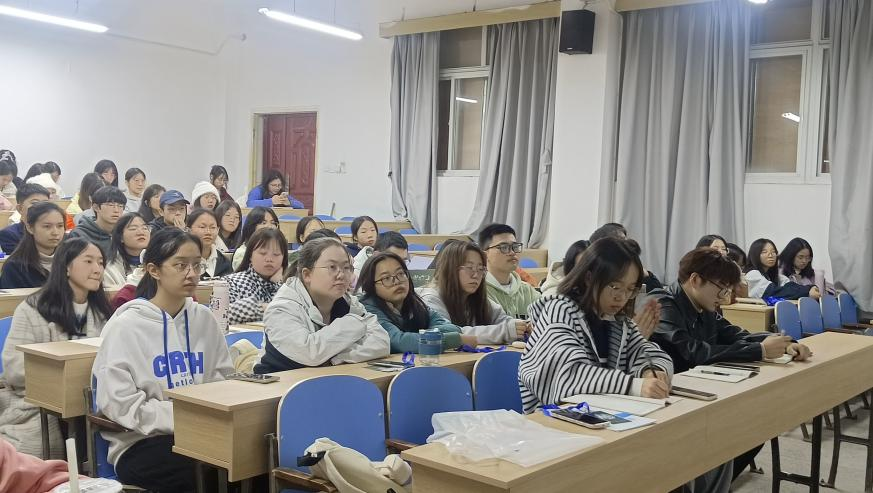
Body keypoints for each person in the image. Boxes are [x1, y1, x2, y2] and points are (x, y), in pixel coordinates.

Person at [650, 247, 812, 482]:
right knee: (740, 431)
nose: (724, 296)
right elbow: (694, 353)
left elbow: (734, 333)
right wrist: (760, 350)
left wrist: (783, 343)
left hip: (705, 390)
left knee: (756, 429)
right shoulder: (663, 304)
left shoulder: (704, 304)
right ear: (695, 280)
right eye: (721, 288)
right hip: (673, 398)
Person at [92, 228, 233, 492]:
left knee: (247, 466)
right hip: (140, 442)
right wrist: (183, 418)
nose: (191, 273)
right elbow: (119, 404)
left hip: (203, 433)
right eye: (180, 265)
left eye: (197, 265)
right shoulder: (126, 326)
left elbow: (223, 381)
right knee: (203, 472)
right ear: (154, 270)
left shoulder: (204, 319)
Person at [519, 236, 674, 413]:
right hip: (551, 419)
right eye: (615, 287)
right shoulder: (559, 311)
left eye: (630, 289)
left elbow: (648, 352)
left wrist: (651, 371)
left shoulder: (617, 321)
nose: (622, 297)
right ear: (589, 278)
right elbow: (567, 378)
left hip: (597, 415)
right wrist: (634, 385)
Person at [0, 238, 111, 458]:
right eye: (88, 261)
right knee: (36, 447)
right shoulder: (32, 308)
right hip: (37, 403)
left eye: (100, 262)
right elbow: (15, 368)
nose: (97, 269)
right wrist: (61, 376)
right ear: (66, 267)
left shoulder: (102, 311)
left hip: (91, 401)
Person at [254, 237, 390, 373]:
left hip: (329, 378)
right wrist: (353, 323)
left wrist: (334, 358)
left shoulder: (349, 302)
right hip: (280, 383)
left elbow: (382, 342)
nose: (341, 275)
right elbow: (310, 353)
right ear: (307, 274)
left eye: (346, 267)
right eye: (332, 267)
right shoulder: (281, 308)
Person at [419, 241, 526, 345]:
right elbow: (447, 333)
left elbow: (505, 322)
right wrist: (505, 331)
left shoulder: (475, 298)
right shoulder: (430, 298)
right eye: (469, 268)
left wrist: (522, 326)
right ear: (450, 269)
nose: (476, 275)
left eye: (480, 269)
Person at [359, 252, 468, 353]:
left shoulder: (414, 303)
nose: (397, 281)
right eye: (386, 278)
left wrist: (417, 338)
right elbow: (397, 342)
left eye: (400, 273)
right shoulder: (366, 309)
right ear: (370, 285)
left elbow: (451, 328)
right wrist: (453, 339)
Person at [224, 228, 288, 324]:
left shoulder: (289, 285)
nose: (269, 259)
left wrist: (279, 285)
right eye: (263, 253)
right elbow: (222, 314)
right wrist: (262, 308)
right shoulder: (231, 282)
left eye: (276, 254)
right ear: (250, 255)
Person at [479, 223, 541, 319]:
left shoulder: (527, 290)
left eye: (515, 246)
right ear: (485, 255)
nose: (512, 252)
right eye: (504, 247)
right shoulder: (478, 290)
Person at [0, 201, 64, 288]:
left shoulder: (72, 259)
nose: (55, 232)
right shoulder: (15, 266)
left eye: (60, 226)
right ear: (30, 228)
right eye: (47, 226)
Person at [745, 238, 818, 300]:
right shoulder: (752, 274)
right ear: (755, 255)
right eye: (764, 252)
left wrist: (811, 288)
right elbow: (775, 292)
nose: (770, 255)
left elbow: (792, 286)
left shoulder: (775, 275)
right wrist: (808, 290)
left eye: (773, 252)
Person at [70, 186, 127, 253]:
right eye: (111, 205)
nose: (116, 210)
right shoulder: (79, 234)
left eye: (120, 206)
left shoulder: (125, 233)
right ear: (96, 207)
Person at [0, 184, 50, 254]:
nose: (42, 207)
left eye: (45, 203)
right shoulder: (9, 235)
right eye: (35, 203)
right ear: (20, 208)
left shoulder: (55, 231)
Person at [103, 213, 149, 287]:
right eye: (133, 229)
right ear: (120, 237)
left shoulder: (159, 261)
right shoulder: (110, 268)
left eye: (145, 228)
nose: (141, 232)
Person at [186, 209, 232, 278]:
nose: (208, 232)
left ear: (218, 230)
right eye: (202, 227)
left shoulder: (224, 262)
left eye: (212, 227)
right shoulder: (182, 260)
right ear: (189, 230)